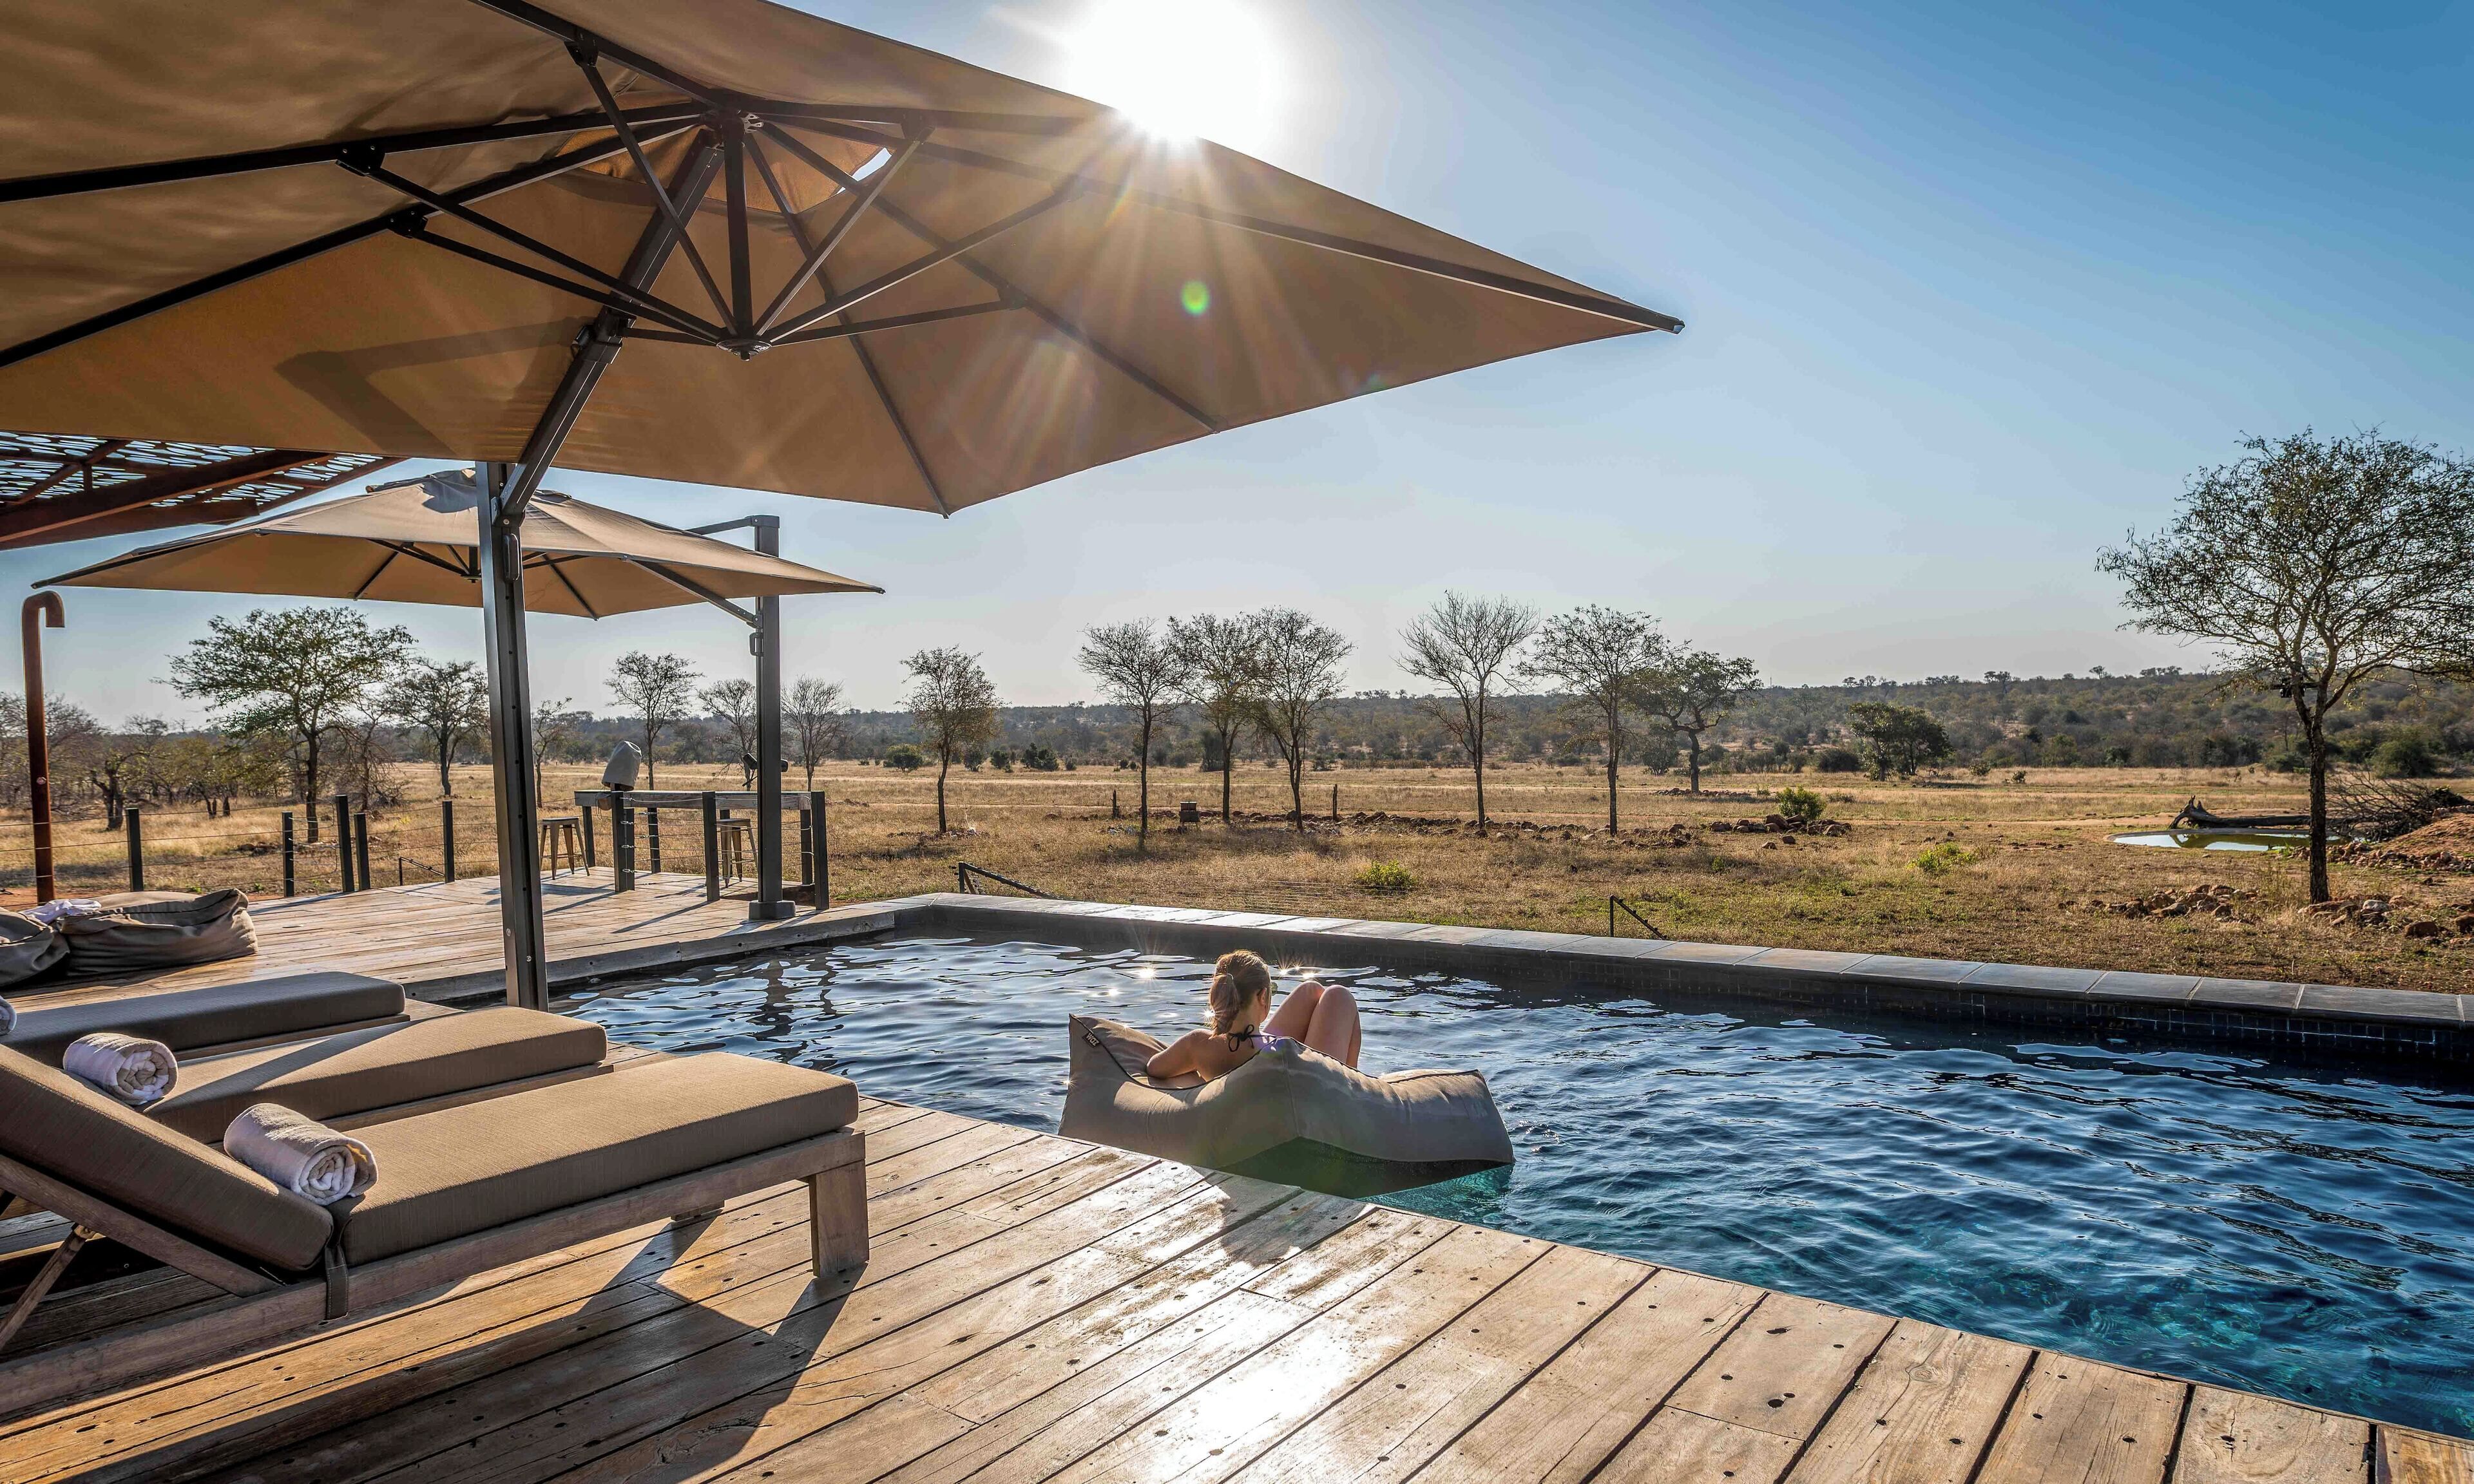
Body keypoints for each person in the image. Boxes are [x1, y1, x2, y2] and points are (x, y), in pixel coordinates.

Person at [1145, 949, 1361, 1083]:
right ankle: (1358, 1085)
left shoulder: (1197, 1045)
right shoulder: (1283, 1051)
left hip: (1246, 1062)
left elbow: (1154, 1067)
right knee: (1338, 995)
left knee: (1311, 990)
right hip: (1313, 1090)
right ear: (1262, 996)